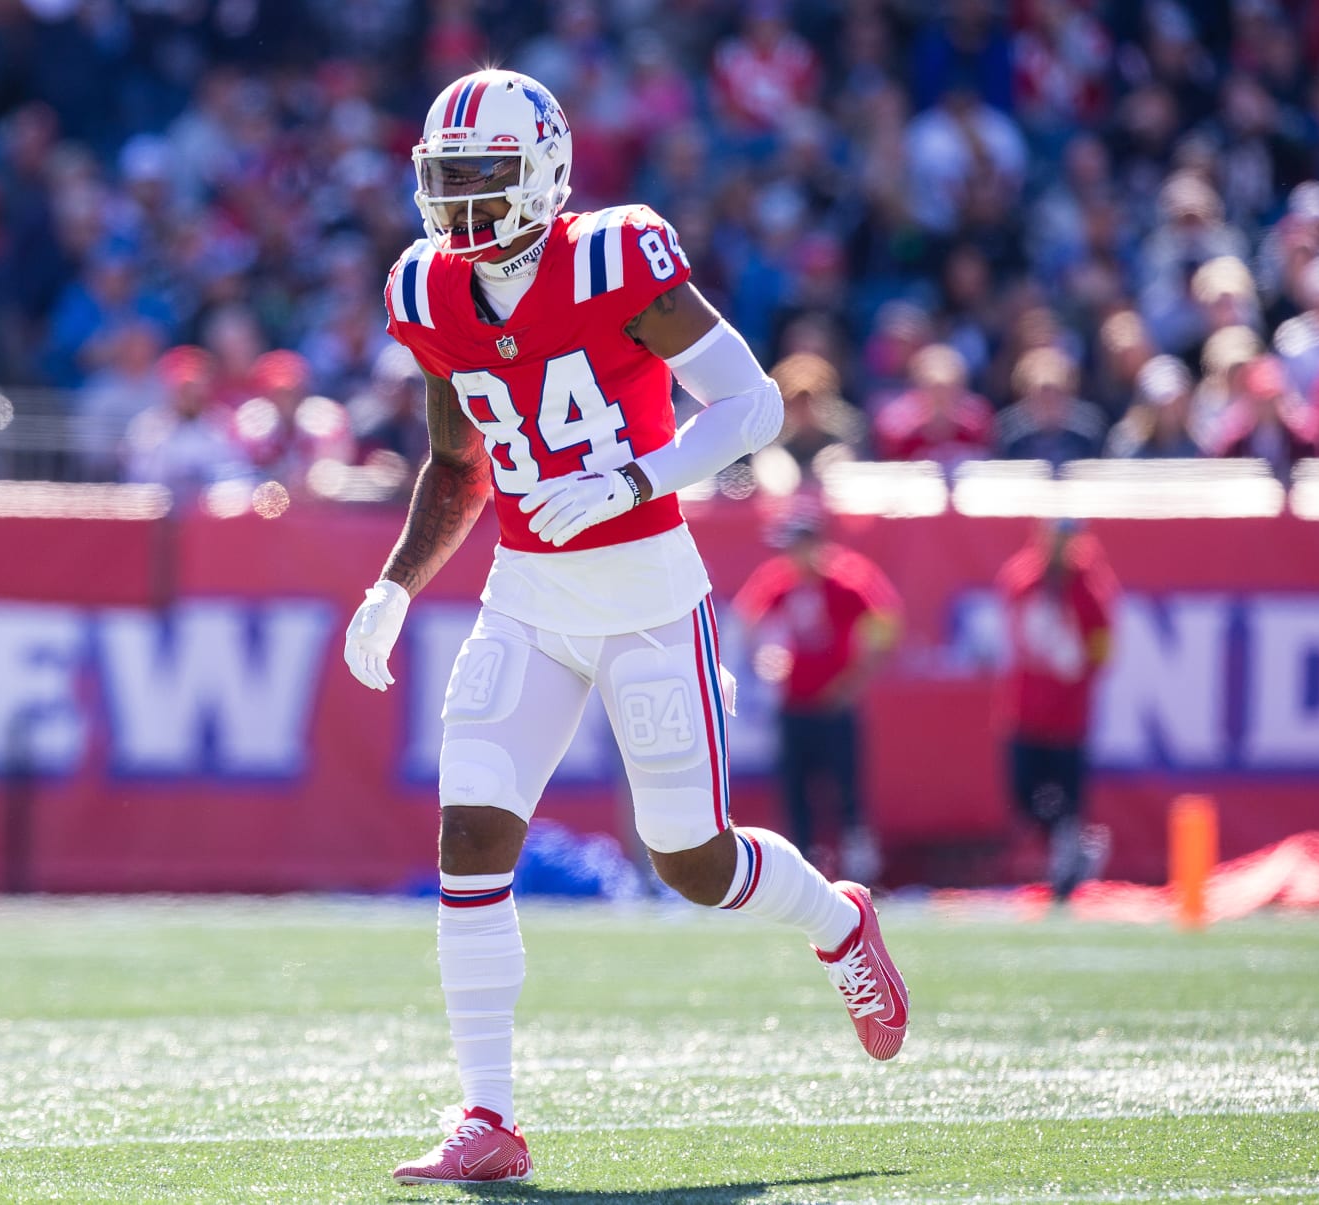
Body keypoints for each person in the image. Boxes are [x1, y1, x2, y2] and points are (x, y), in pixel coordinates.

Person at [340, 69, 910, 1188]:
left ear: (545, 173)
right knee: (469, 837)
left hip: (649, 599)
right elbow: (460, 464)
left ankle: (837, 919)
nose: (457, 207)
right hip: (527, 600)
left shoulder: (614, 257)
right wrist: (396, 584)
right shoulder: (427, 289)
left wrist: (633, 477)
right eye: (443, 181)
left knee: (693, 861)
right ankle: (488, 1114)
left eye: (481, 178)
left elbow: (751, 404)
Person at [732, 500, 902, 887]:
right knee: (796, 794)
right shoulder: (778, 580)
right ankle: (803, 876)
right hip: (793, 705)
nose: (792, 555)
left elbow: (887, 623)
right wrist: (764, 662)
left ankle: (861, 875)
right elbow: (746, 621)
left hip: (834, 705)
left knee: (846, 794)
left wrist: (855, 679)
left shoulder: (846, 579)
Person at [996, 518, 1117, 901]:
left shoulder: (1090, 587)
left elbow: (1103, 646)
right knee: (1024, 797)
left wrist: (1081, 664)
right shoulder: (1023, 578)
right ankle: (1071, 850)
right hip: (1025, 709)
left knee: (1068, 801)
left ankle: (1068, 865)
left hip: (1068, 715)